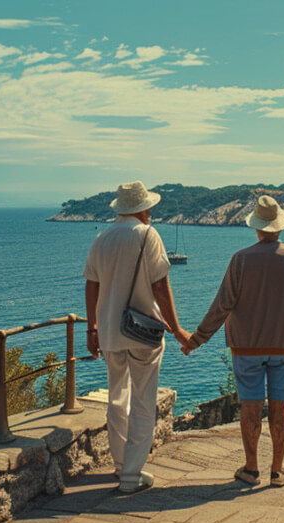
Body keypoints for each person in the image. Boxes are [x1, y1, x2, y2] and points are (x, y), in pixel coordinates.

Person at [182, 195, 284, 487]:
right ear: (280, 226)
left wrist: (197, 339)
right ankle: (278, 471)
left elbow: (222, 305)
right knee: (280, 408)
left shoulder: (241, 259)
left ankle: (251, 469)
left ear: (256, 227)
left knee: (250, 408)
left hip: (246, 347)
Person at [84, 181, 193, 493]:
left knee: (117, 397)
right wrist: (176, 328)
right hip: (142, 332)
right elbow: (160, 285)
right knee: (143, 401)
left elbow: (91, 285)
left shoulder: (102, 238)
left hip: (108, 331)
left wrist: (91, 327)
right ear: (143, 209)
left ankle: (120, 465)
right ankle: (131, 475)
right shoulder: (148, 235)